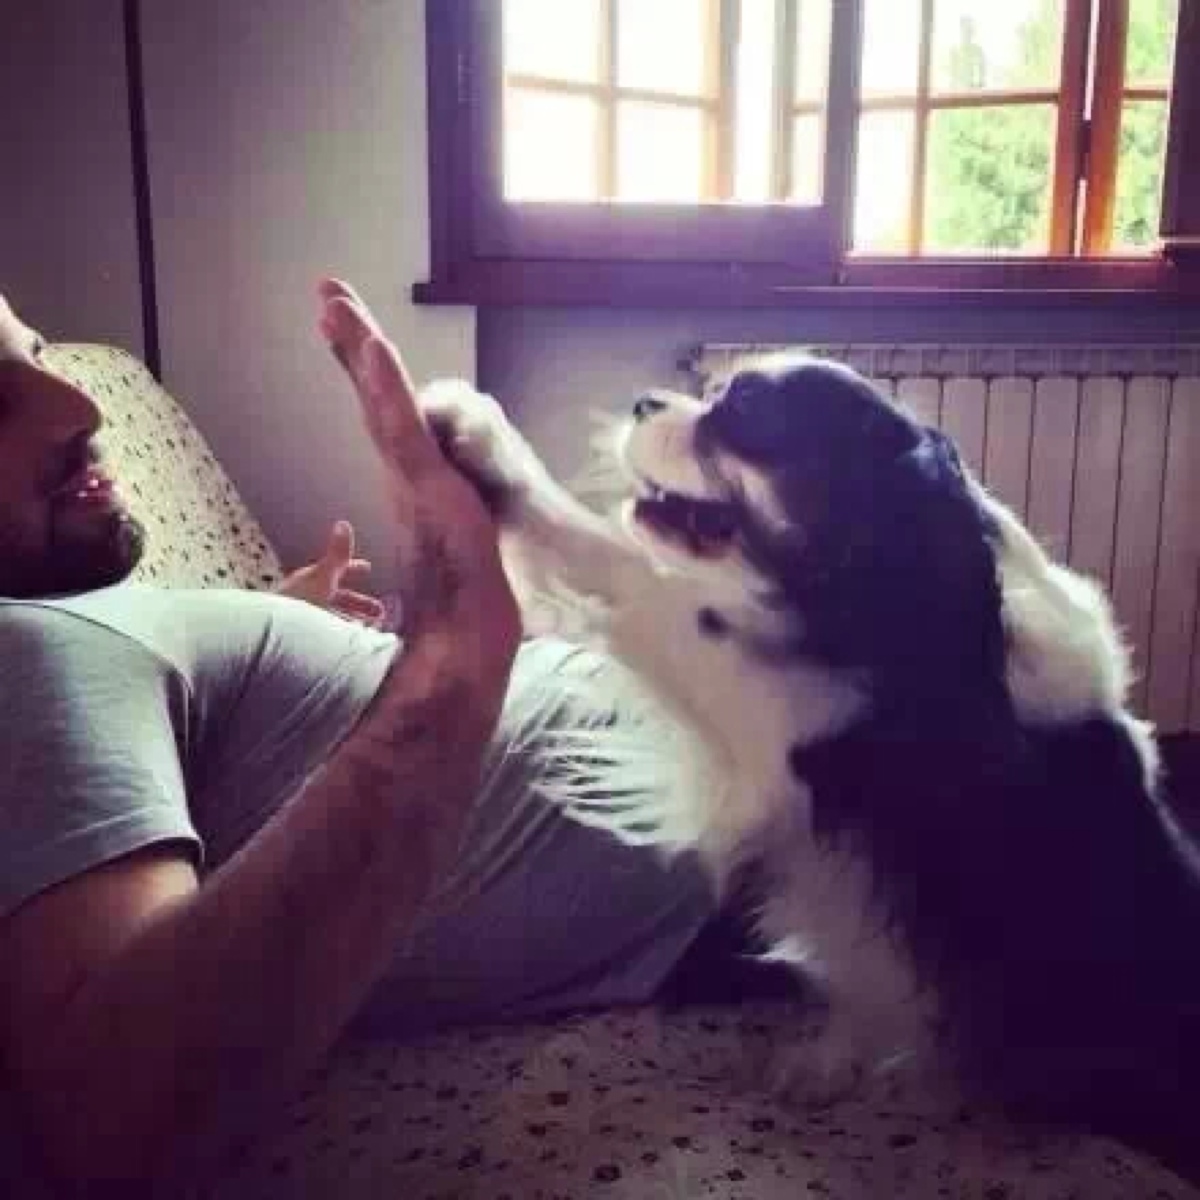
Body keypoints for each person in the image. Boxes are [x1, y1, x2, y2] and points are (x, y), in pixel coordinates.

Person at [0, 280, 717, 1193]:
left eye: (37, 353)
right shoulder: (25, 656)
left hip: (699, 722)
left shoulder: (67, 627)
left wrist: (272, 623)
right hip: (747, 808)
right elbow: (123, 1116)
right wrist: (453, 655)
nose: (81, 406)